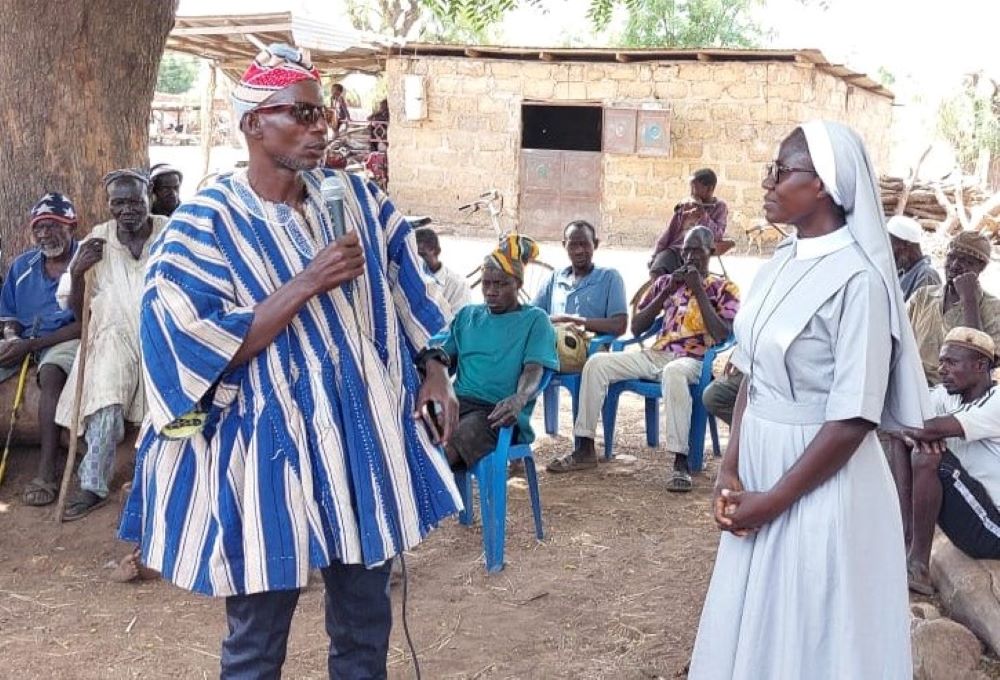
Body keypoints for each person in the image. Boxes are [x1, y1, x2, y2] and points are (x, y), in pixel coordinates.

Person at [118, 44, 461, 678]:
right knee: (256, 640)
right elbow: (182, 346)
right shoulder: (203, 224)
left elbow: (413, 285)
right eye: (301, 115)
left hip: (360, 445)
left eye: (322, 114)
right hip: (265, 457)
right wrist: (305, 283)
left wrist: (435, 368)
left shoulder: (358, 199)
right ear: (254, 123)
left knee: (364, 630)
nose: (320, 128)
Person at [689, 121, 929, 679]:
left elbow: (852, 419)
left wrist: (773, 501)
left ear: (824, 184)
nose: (768, 182)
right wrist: (730, 469)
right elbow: (753, 374)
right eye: (770, 170)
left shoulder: (859, 283)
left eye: (783, 171)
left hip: (825, 482)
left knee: (817, 627)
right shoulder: (777, 265)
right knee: (761, 620)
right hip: (761, 467)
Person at [546, 226, 739, 491]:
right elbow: (636, 327)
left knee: (674, 372)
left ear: (712, 251)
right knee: (596, 364)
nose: (691, 257)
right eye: (686, 251)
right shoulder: (667, 282)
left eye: (697, 251)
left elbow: (722, 334)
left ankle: (680, 462)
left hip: (692, 360)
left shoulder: (724, 288)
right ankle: (585, 447)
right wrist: (666, 290)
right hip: (655, 355)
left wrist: (699, 290)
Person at [54, 170, 169, 521]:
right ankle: (93, 484)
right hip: (113, 335)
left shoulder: (169, 231)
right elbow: (79, 312)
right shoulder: (97, 240)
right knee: (105, 396)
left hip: (159, 334)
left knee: (166, 405)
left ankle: (157, 486)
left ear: (149, 196)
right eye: (118, 203)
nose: (127, 210)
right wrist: (76, 273)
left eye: (134, 201)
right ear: (109, 205)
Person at [888, 327, 1000, 596]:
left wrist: (919, 433)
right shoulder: (945, 395)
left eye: (951, 362)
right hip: (974, 512)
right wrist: (913, 432)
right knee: (911, 442)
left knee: (928, 455)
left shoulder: (997, 401)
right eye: (941, 361)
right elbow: (898, 418)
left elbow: (924, 428)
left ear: (980, 365)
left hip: (995, 527)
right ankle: (905, 538)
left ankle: (918, 566)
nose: (941, 369)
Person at [438, 235, 559, 469]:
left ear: (518, 284)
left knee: (448, 447)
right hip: (457, 403)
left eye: (501, 284)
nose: (491, 291)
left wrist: (520, 397)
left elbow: (534, 369)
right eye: (486, 283)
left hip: (496, 413)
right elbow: (443, 359)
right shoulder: (468, 316)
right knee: (413, 433)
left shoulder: (535, 320)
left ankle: (434, 502)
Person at [0, 194, 80, 506]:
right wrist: (10, 338)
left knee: (50, 374)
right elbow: (9, 317)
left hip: (62, 339)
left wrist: (32, 346)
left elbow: (83, 324)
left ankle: (46, 473)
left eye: (53, 226)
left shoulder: (83, 261)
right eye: (39, 228)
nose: (44, 234)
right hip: (24, 341)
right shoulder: (22, 265)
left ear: (70, 226)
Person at [908, 230, 1000, 385]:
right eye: (951, 257)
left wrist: (969, 301)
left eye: (966, 262)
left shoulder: (993, 308)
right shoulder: (923, 297)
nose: (955, 265)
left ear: (981, 268)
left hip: (957, 397)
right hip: (914, 387)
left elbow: (980, 362)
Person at [532, 220, 628, 346]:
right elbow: (533, 317)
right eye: (572, 245)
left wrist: (571, 320)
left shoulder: (609, 278)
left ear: (595, 244)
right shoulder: (555, 278)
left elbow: (619, 325)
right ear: (564, 245)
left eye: (584, 244)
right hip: (550, 347)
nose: (578, 251)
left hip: (589, 350)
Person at [649, 168, 728, 273]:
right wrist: (656, 254)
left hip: (697, 252)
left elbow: (717, 235)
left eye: (695, 188)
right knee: (657, 269)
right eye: (691, 188)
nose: (691, 192)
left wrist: (703, 215)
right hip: (676, 249)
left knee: (690, 274)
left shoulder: (719, 207)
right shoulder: (686, 205)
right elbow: (669, 233)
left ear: (710, 189)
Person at [414, 227, 472, 315]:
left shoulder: (458, 286)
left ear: (437, 251)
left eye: (422, 255)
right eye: (414, 256)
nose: (418, 260)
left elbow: (460, 322)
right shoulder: (408, 279)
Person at [887, 214, 940, 300]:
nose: (890, 253)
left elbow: (923, 312)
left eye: (891, 246)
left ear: (906, 244)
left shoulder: (927, 276)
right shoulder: (902, 273)